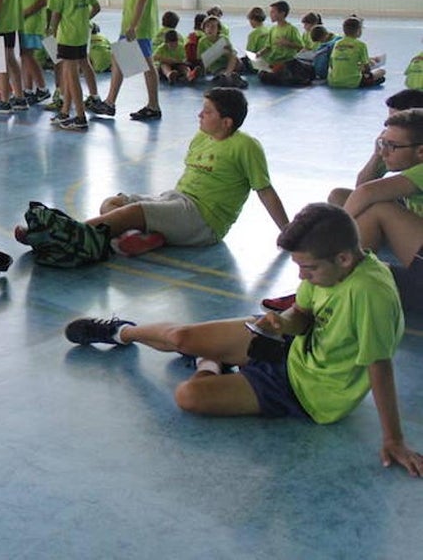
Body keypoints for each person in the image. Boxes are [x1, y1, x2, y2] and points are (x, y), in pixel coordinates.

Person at [63, 202, 423, 477]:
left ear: (344, 258)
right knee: (182, 335)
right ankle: (119, 331)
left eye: (308, 269)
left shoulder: (371, 294)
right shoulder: (325, 272)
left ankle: (212, 363)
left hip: (307, 392)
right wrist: (281, 322)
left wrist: (393, 440)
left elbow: (379, 367)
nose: (302, 276)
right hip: (290, 346)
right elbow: (303, 315)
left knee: (189, 396)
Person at [18, 88, 289, 259]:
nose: (199, 115)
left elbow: (265, 191)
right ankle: (146, 238)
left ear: (226, 122)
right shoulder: (201, 137)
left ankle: (59, 235)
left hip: (204, 219)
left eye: (207, 112)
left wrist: (287, 231)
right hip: (177, 199)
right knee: (113, 204)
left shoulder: (245, 146)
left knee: (128, 214)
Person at [337, 109, 423, 309]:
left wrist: (328, 239)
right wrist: (378, 156)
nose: (384, 151)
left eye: (392, 146)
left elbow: (367, 192)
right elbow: (361, 188)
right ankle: (338, 279)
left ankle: (333, 284)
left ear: (420, 151)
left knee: (379, 208)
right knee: (340, 196)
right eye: (382, 143)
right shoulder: (405, 161)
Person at [90, 0, 161, 121]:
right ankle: (110, 102)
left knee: (146, 64)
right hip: (135, 25)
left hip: (138, 27)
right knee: (119, 58)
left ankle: (151, 105)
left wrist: (133, 26)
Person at [46, 0, 99, 130]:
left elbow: (56, 13)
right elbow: (96, 7)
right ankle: (65, 112)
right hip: (82, 34)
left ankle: (80, 116)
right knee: (71, 74)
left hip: (67, 36)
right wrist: (83, 19)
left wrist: (51, 30)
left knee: (71, 76)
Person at [16, 0, 51, 106]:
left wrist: (26, 12)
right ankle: (28, 89)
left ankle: (42, 88)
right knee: (24, 56)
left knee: (28, 55)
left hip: (32, 22)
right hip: (21, 22)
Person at [328, 16, 386, 88]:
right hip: (353, 82)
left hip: (333, 81)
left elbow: (331, 64)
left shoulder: (337, 43)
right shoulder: (361, 45)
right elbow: (367, 69)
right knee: (382, 73)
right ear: (359, 30)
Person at [257, 0, 304, 84]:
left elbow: (301, 47)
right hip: (274, 60)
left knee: (276, 75)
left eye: (273, 12)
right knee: (262, 75)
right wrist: (259, 53)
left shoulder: (291, 29)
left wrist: (288, 43)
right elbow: (268, 46)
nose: (270, 14)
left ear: (282, 13)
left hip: (286, 61)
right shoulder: (273, 29)